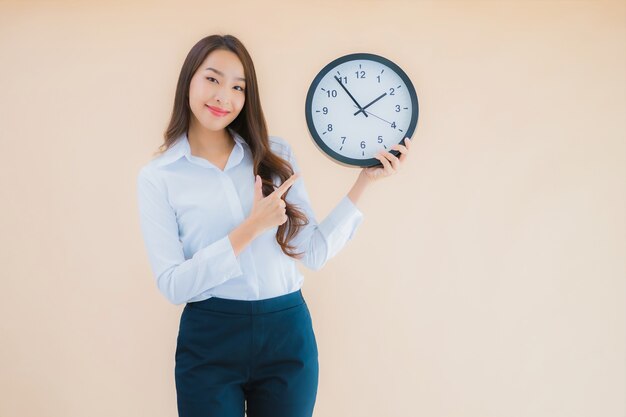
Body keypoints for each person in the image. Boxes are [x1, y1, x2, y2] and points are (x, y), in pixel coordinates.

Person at [136, 34, 411, 417]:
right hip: (211, 338)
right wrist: (250, 228)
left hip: (286, 334)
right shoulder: (159, 176)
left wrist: (365, 181)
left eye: (238, 87)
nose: (223, 97)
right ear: (189, 81)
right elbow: (172, 283)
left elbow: (312, 253)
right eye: (212, 79)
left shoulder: (275, 154)